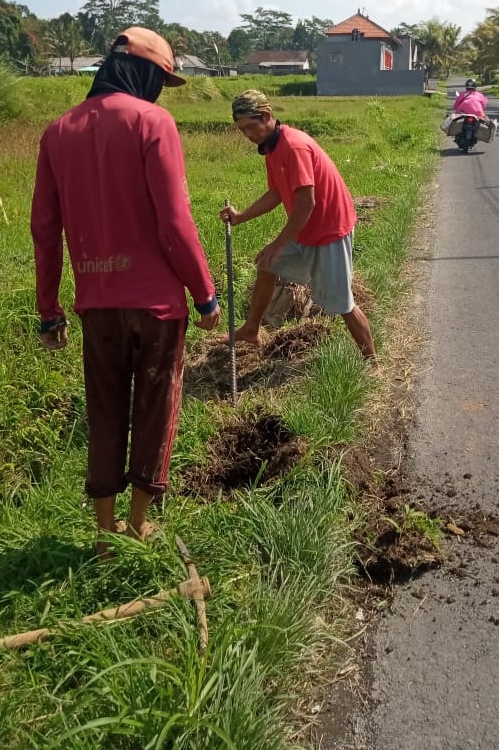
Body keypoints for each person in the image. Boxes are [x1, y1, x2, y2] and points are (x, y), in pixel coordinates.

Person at [31, 27, 220, 556]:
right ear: (143, 73)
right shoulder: (152, 122)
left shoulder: (57, 132)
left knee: (105, 411)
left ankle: (103, 533)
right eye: (160, 79)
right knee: (156, 409)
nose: (160, 91)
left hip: (97, 306)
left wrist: (49, 310)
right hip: (156, 306)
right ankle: (138, 525)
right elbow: (174, 223)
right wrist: (204, 293)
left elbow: (44, 229)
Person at [219, 89, 378, 366]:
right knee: (267, 264)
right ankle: (251, 330)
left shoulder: (293, 146)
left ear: (266, 116)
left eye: (250, 127)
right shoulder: (272, 149)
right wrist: (241, 216)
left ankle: (372, 361)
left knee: (343, 304)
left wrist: (279, 243)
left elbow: (306, 203)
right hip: (305, 229)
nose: (247, 135)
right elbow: (276, 193)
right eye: (242, 130)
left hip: (329, 231)